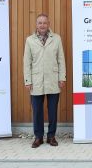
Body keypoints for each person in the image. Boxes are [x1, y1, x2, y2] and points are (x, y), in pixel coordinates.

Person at [23, 14, 66, 148]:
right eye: (39, 23)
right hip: (36, 81)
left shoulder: (56, 39)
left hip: (53, 79)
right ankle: (38, 137)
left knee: (52, 110)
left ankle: (51, 136)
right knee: (37, 111)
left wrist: (62, 77)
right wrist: (27, 80)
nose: (42, 25)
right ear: (36, 25)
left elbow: (61, 60)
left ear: (49, 24)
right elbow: (26, 62)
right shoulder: (30, 40)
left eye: (44, 23)